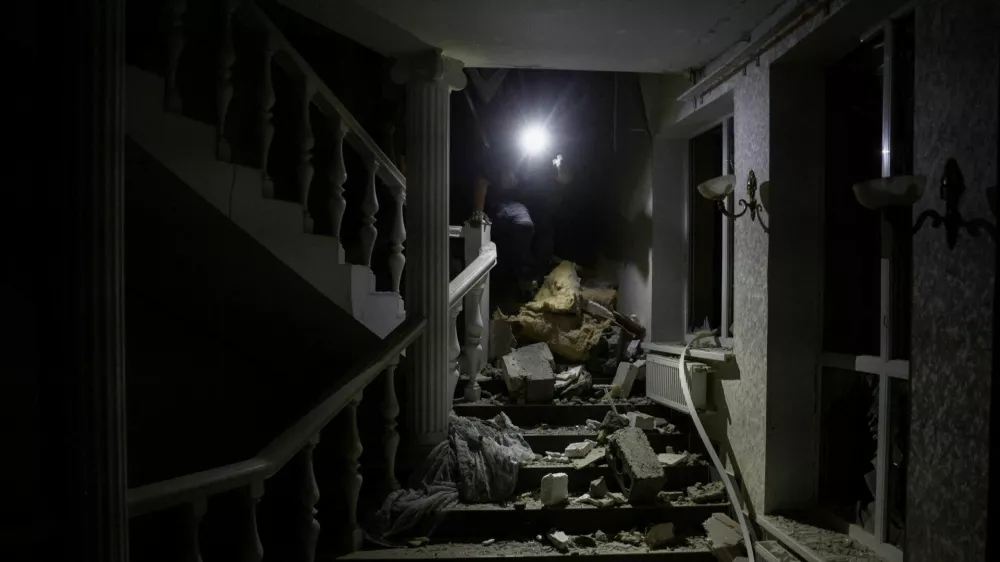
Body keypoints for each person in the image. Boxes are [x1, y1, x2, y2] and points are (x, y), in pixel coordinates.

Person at [472, 145, 573, 307]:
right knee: (524, 225)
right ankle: (522, 278)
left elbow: (564, 179)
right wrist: (478, 211)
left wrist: (559, 165)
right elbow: (482, 181)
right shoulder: (508, 155)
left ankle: (535, 281)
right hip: (508, 202)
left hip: (535, 204)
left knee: (545, 238)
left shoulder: (547, 158)